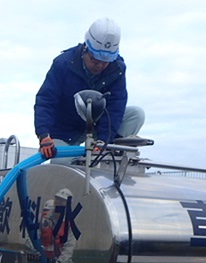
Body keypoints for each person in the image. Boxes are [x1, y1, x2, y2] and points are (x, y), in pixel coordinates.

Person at [34, 17, 145, 159]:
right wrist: (44, 135)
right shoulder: (63, 63)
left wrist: (104, 140)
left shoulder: (117, 69)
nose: (100, 65)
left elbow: (115, 107)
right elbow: (46, 100)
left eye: (105, 61)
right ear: (86, 48)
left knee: (136, 114)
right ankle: (76, 164)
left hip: (98, 128)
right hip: (65, 130)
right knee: (64, 165)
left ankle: (109, 153)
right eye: (95, 60)